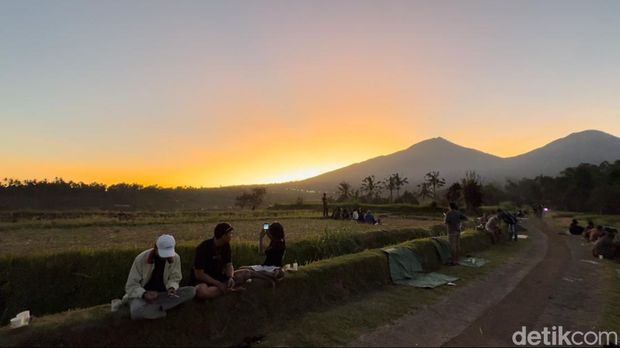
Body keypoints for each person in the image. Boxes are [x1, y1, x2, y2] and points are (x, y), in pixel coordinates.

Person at [123, 234, 196, 320]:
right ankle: (162, 309)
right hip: (144, 296)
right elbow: (131, 285)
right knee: (136, 310)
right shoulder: (141, 259)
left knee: (191, 291)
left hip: (163, 295)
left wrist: (172, 288)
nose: (165, 256)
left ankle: (155, 308)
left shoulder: (175, 258)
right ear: (156, 248)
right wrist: (144, 294)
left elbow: (175, 278)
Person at [192, 223, 238, 299]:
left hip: (219, 276)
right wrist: (218, 284)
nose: (231, 236)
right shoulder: (203, 248)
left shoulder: (226, 245)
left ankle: (225, 288)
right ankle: (228, 290)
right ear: (223, 235)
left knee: (245, 273)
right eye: (230, 234)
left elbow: (229, 264)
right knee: (202, 292)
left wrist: (230, 277)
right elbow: (199, 274)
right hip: (204, 280)